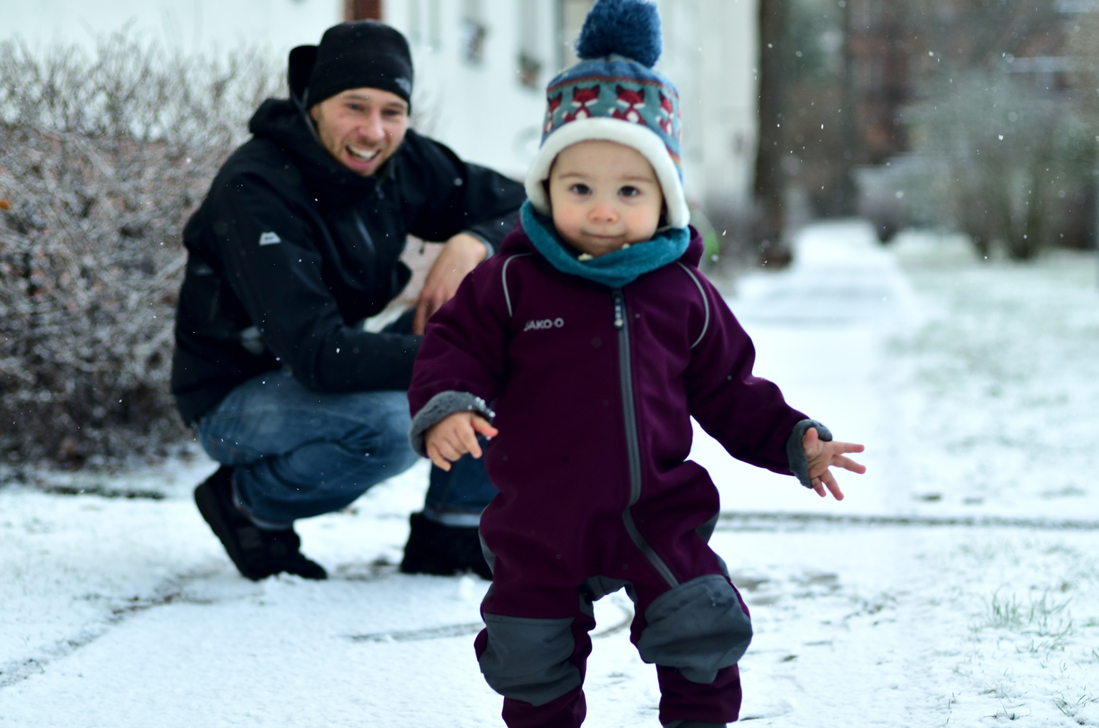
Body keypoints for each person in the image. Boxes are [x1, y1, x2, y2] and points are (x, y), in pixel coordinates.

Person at [405, 1, 867, 726]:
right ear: (545, 189)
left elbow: (727, 388)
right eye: (578, 187)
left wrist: (790, 440)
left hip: (654, 510)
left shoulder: (683, 293)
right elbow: (453, 348)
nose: (602, 209)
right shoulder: (509, 281)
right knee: (528, 656)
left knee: (700, 627)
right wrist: (450, 404)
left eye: (629, 190)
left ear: (664, 198)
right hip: (538, 514)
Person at [171, 20, 525, 582]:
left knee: (506, 320)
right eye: (353, 107)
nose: (373, 131)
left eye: (392, 111)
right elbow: (315, 354)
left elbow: (529, 208)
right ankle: (246, 503)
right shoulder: (257, 188)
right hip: (236, 396)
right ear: (313, 104)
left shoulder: (403, 162)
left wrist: (470, 243)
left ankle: (454, 529)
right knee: (392, 426)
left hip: (323, 368)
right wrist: (450, 360)